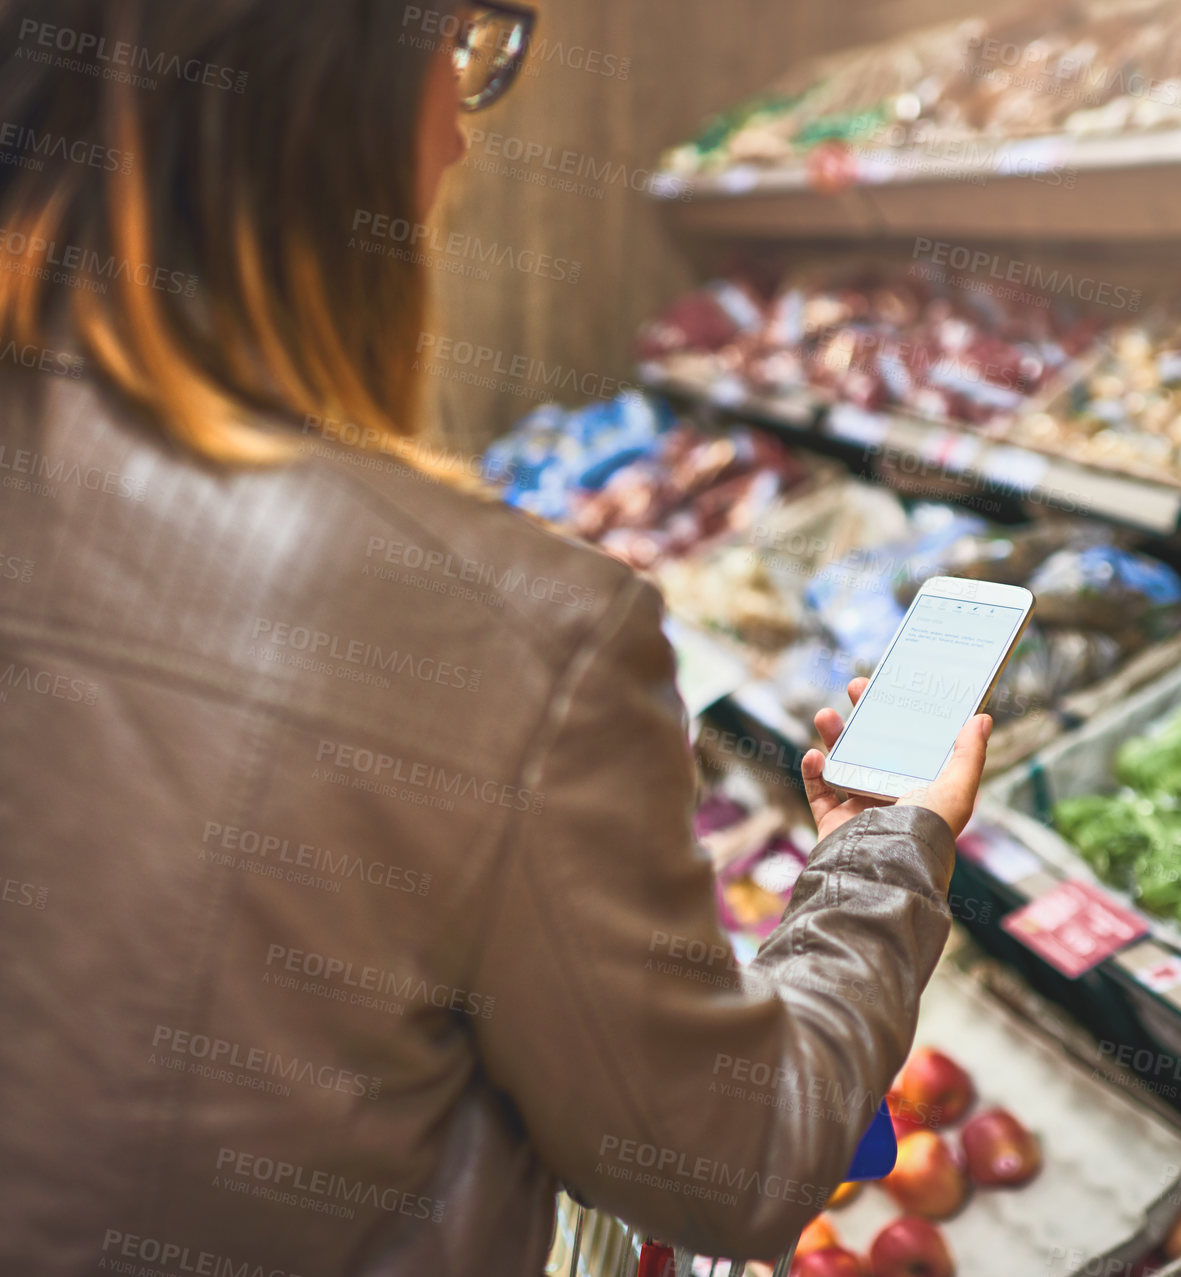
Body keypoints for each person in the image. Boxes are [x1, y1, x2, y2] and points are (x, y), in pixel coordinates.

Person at [0, 2, 992, 1272]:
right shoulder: (508, 630)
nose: (461, 141)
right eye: (460, 50)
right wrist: (876, 851)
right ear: (325, 97)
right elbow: (730, 1160)